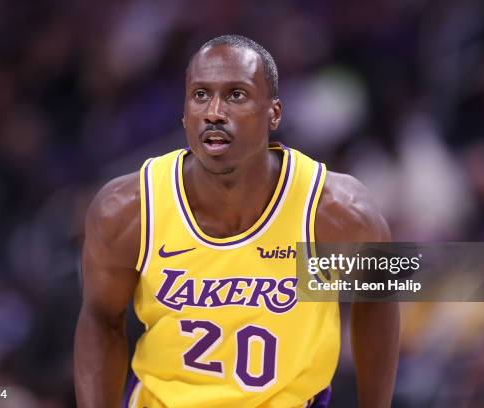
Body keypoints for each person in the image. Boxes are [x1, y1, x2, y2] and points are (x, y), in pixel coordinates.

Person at [74, 34, 399, 408]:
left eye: (236, 95)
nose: (214, 111)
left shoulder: (331, 213)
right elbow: (101, 317)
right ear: (184, 112)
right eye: (200, 95)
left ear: (274, 113)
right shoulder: (130, 209)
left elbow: (378, 301)